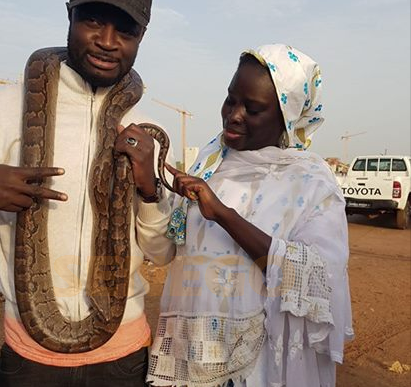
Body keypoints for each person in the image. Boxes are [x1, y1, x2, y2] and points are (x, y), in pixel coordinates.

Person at [0, 0, 174, 386]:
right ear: (70, 16)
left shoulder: (144, 130)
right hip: (29, 359)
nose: (107, 41)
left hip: (122, 356)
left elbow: (162, 251)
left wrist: (150, 190)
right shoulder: (2, 109)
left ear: (142, 36)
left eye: (126, 30)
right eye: (93, 20)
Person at [146, 44, 354, 387]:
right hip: (193, 361)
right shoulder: (210, 165)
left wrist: (225, 216)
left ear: (285, 118)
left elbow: (318, 279)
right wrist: (148, 189)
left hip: (257, 368)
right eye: (231, 99)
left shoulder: (310, 182)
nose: (234, 114)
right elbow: (168, 249)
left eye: (253, 108)